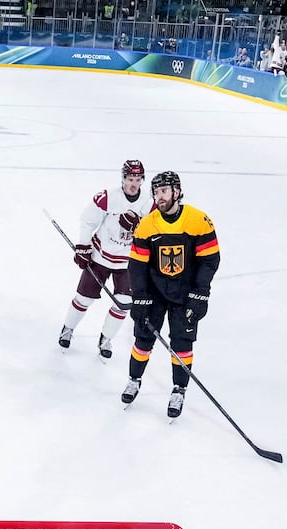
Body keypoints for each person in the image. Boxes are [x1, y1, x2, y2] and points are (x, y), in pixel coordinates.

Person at [123, 170, 220, 419]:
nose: (159, 196)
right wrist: (140, 297)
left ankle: (179, 388)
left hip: (184, 294)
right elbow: (137, 265)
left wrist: (200, 294)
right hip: (155, 293)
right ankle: (134, 379)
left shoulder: (197, 220)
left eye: (164, 191)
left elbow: (209, 260)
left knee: (182, 344)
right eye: (155, 192)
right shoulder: (147, 224)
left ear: (176, 192)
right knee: (143, 339)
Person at [58, 159, 150, 360]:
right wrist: (83, 246)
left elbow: (153, 232)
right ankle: (68, 328)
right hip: (101, 256)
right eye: (130, 179)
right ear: (123, 178)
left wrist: (139, 226)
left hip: (127, 261)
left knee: (124, 303)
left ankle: (106, 338)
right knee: (84, 298)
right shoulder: (108, 197)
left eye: (137, 179)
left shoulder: (148, 202)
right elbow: (87, 220)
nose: (133, 183)